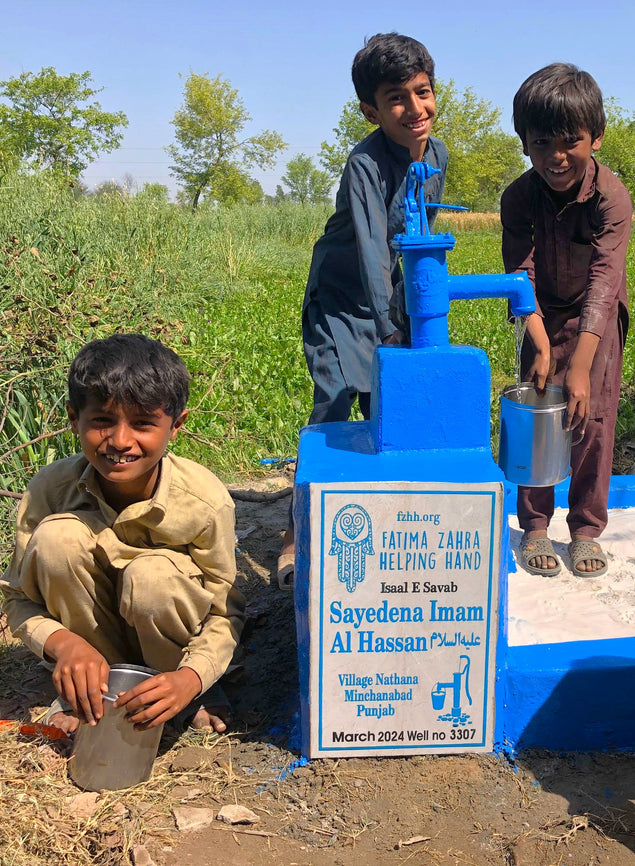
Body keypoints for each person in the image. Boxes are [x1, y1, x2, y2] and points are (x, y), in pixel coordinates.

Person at [0, 334, 245, 735]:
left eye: (143, 423)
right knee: (58, 539)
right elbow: (18, 598)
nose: (120, 441)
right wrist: (65, 645)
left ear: (176, 425)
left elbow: (224, 612)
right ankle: (93, 689)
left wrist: (191, 678)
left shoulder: (203, 502)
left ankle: (177, 693)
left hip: (173, 648)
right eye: (102, 421)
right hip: (92, 643)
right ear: (74, 418)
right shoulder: (50, 489)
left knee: (152, 577)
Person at [278, 32, 448, 586]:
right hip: (338, 297)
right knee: (334, 402)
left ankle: (382, 520)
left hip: (386, 294)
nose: (414, 108)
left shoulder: (438, 155)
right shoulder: (364, 164)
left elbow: (417, 238)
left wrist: (414, 309)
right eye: (396, 98)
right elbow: (374, 248)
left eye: (422, 91)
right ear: (370, 110)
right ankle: (296, 532)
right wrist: (391, 329)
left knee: (387, 405)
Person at [501, 63, 632, 579]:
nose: (556, 156)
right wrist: (538, 339)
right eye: (541, 143)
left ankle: (585, 530)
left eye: (570, 141)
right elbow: (520, 275)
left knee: (591, 418)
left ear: (595, 137)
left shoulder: (611, 197)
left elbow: (604, 281)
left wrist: (579, 364)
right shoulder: (519, 197)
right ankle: (534, 525)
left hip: (596, 317)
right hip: (538, 311)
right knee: (537, 412)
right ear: (524, 143)